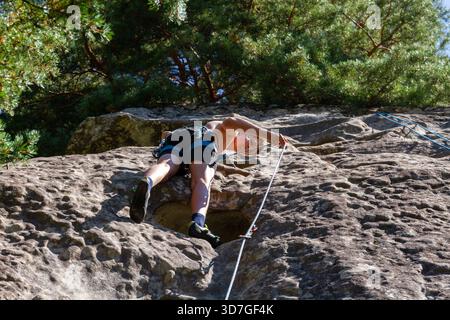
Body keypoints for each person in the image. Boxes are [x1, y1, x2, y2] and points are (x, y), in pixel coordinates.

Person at [129, 116, 288, 248]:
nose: (247, 147)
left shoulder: (211, 134)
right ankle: (198, 224)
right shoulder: (219, 130)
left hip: (176, 137)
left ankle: (148, 182)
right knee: (202, 181)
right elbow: (231, 121)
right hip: (202, 141)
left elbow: (165, 134)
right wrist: (271, 136)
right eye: (247, 142)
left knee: (166, 165)